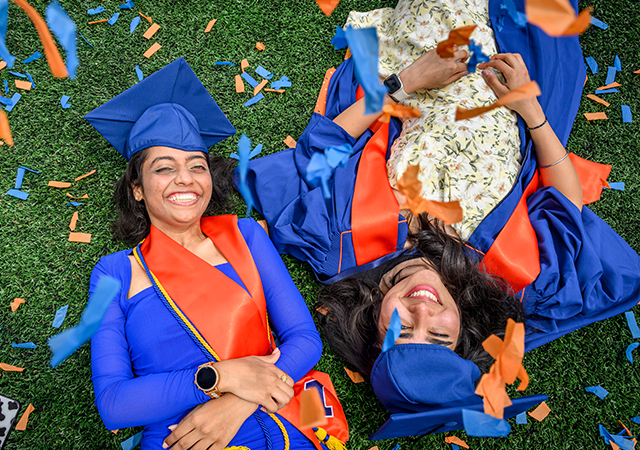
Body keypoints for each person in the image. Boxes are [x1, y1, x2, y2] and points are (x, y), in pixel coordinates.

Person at [240, 0, 640, 421]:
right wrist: (532, 111)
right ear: (460, 336)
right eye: (437, 336)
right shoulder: (512, 279)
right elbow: (565, 204)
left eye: (403, 332)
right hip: (516, 76)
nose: (423, 311)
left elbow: (322, 150)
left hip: (426, 54)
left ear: (375, 327)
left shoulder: (334, 244)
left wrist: (406, 80)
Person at [84, 58, 348, 450]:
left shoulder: (245, 235)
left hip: (287, 420)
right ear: (137, 188)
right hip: (183, 440)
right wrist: (217, 379)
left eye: (197, 165)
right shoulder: (115, 273)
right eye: (164, 168)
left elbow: (304, 339)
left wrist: (237, 402)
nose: (186, 178)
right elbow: (114, 405)